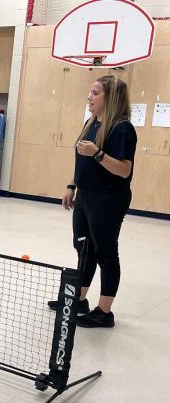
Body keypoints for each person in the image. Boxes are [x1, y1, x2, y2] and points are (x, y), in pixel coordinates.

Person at [49, 75, 137, 328]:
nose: (89, 96)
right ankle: (79, 299)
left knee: (106, 253)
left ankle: (104, 312)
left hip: (108, 199)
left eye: (95, 93)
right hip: (86, 195)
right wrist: (71, 186)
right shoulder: (91, 123)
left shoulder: (121, 128)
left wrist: (97, 153)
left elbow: (123, 170)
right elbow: (81, 161)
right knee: (84, 249)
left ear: (110, 98)